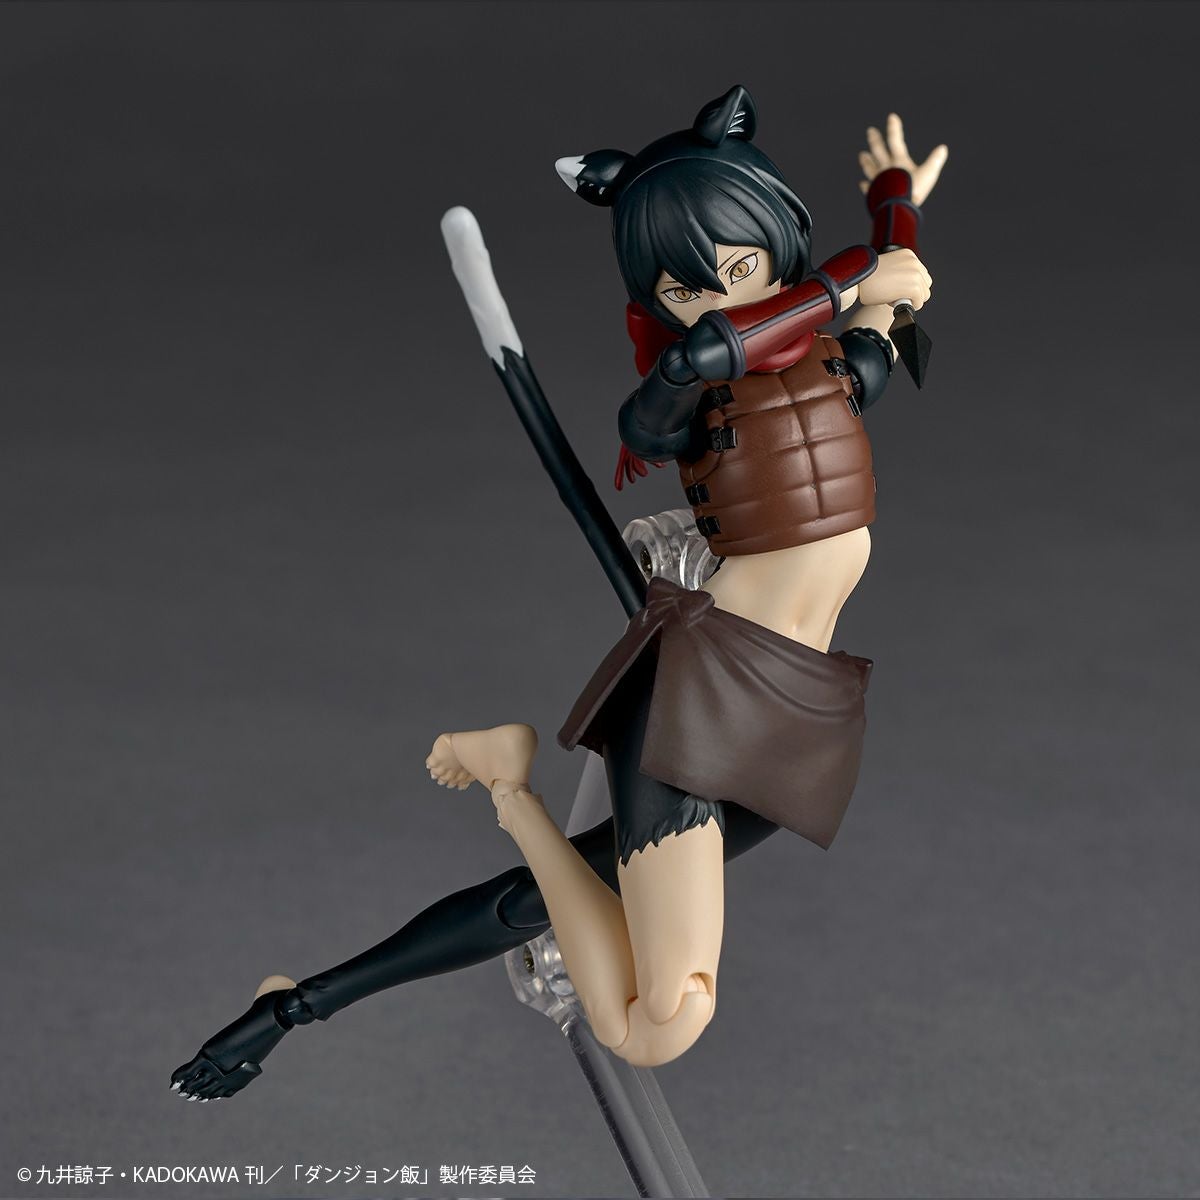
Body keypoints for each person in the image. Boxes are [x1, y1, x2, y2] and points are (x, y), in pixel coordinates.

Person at [171, 86, 947, 1099]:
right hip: (706, 701)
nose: (717, 297)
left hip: (807, 707)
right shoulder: (691, 388)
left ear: (777, 245)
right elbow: (709, 352)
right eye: (686, 286)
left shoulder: (835, 367)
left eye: (740, 267)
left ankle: (298, 998)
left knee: (556, 897)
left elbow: (892, 299)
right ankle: (498, 802)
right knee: (660, 1022)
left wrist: (895, 205)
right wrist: (855, 278)